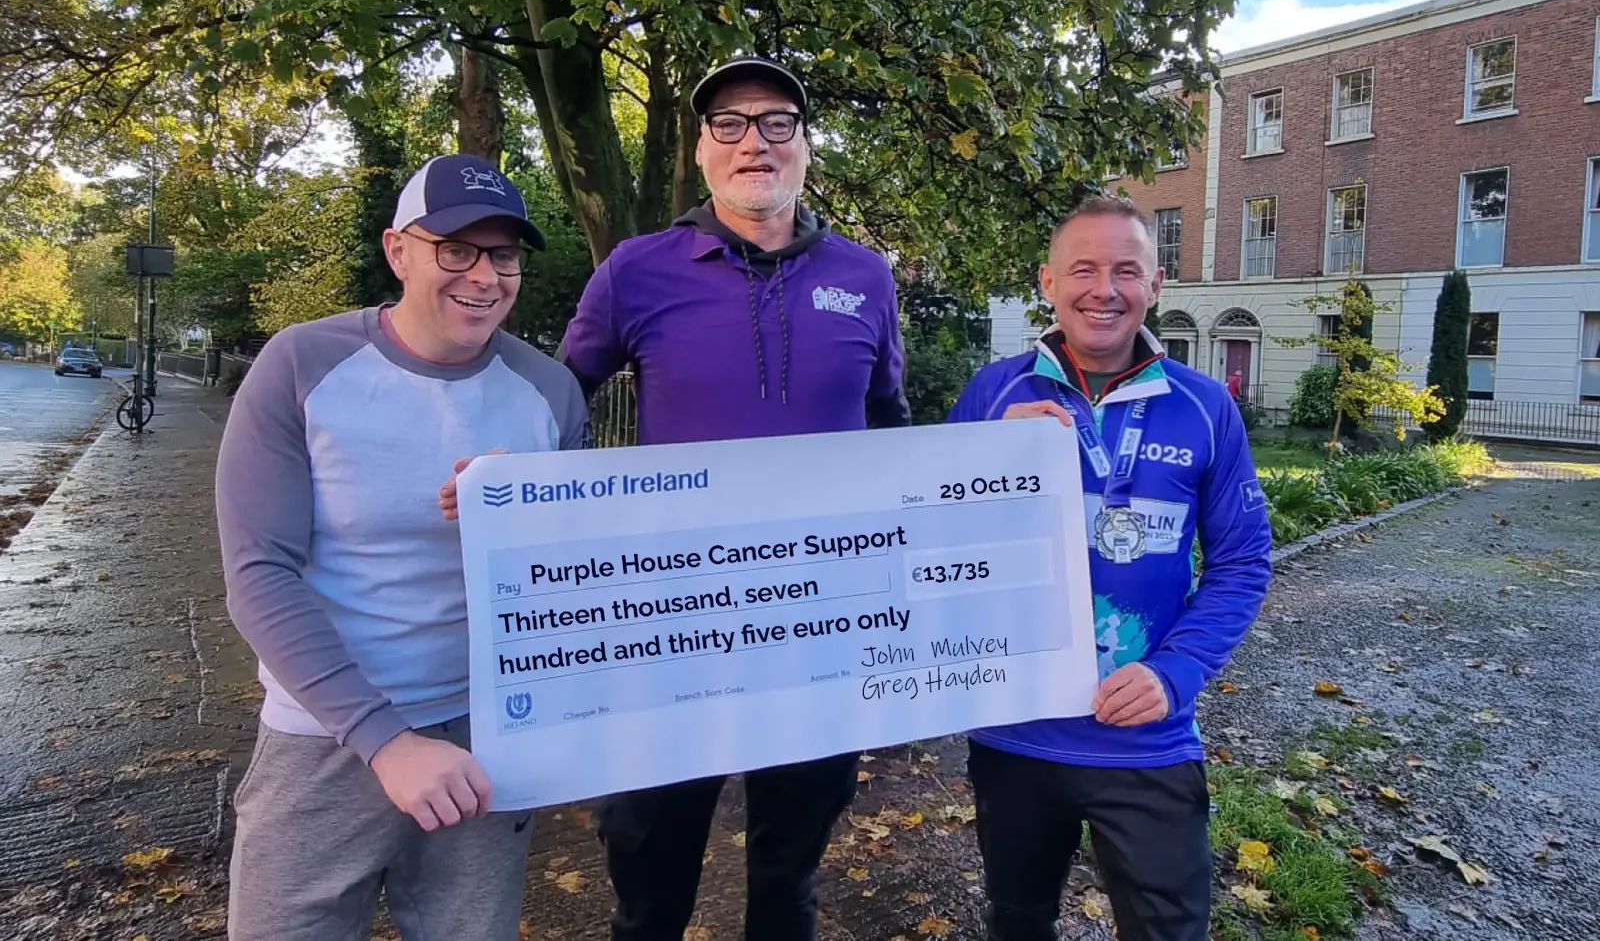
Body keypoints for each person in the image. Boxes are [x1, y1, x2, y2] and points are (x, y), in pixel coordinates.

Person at [441, 56, 911, 941]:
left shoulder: (868, 277)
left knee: (789, 877)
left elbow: (892, 429)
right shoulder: (635, 270)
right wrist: (511, 478)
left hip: (821, 628)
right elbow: (559, 397)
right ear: (702, 150)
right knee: (651, 882)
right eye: (728, 124)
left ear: (805, 147)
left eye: (777, 122)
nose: (753, 142)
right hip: (670, 625)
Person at [216, 154, 589, 941]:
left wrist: (539, 510)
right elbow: (257, 576)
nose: (485, 276)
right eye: (457, 249)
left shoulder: (550, 392)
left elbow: (571, 579)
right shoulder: (301, 365)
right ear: (398, 251)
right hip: (324, 735)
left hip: (485, 736)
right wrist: (385, 741)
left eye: (504, 254)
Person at [946, 196, 1273, 941]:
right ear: (1048, 282)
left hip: (1148, 735)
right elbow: (935, 545)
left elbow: (1244, 559)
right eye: (1084, 269)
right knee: (1018, 922)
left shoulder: (1203, 407)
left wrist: (1176, 672)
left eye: (1127, 269)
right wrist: (982, 460)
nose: (1105, 288)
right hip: (1015, 734)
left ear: (1156, 283)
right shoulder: (991, 395)